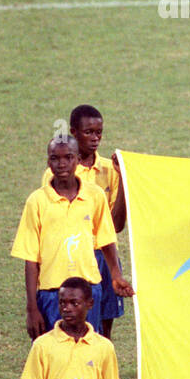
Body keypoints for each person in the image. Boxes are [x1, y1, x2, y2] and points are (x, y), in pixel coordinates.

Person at [12, 134, 133, 340]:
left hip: (88, 291)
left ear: (77, 159)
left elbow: (106, 240)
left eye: (68, 157)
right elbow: (31, 260)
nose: (62, 164)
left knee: (88, 353)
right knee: (53, 357)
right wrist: (32, 307)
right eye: (55, 158)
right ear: (48, 162)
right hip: (51, 294)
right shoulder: (37, 201)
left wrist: (115, 275)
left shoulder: (95, 196)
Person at [42, 106, 126, 340]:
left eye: (99, 132)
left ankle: (100, 364)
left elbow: (115, 226)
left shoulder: (110, 170)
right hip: (73, 257)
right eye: (89, 132)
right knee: (69, 322)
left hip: (104, 256)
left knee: (103, 326)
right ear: (74, 133)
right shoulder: (58, 172)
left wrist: (124, 182)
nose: (96, 138)